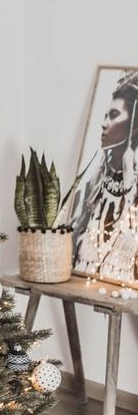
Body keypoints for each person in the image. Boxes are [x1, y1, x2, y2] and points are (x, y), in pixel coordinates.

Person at [70, 70, 138, 284]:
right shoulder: (92, 186)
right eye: (105, 115)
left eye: (114, 115)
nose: (104, 123)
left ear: (134, 126)